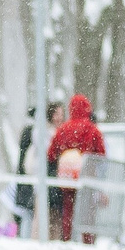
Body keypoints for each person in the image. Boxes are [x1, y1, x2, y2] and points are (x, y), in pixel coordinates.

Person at [46, 94, 105, 240]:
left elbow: (51, 154)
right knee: (88, 210)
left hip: (68, 176)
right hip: (87, 176)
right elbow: (101, 153)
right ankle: (87, 239)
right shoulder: (93, 130)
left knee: (68, 209)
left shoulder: (63, 129)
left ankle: (67, 237)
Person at [14, 98, 65, 236]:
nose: (59, 118)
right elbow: (47, 153)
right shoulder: (40, 132)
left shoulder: (58, 132)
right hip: (44, 178)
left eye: (61, 114)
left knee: (54, 216)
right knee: (40, 213)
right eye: (57, 114)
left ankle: (51, 242)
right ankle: (36, 240)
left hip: (55, 180)